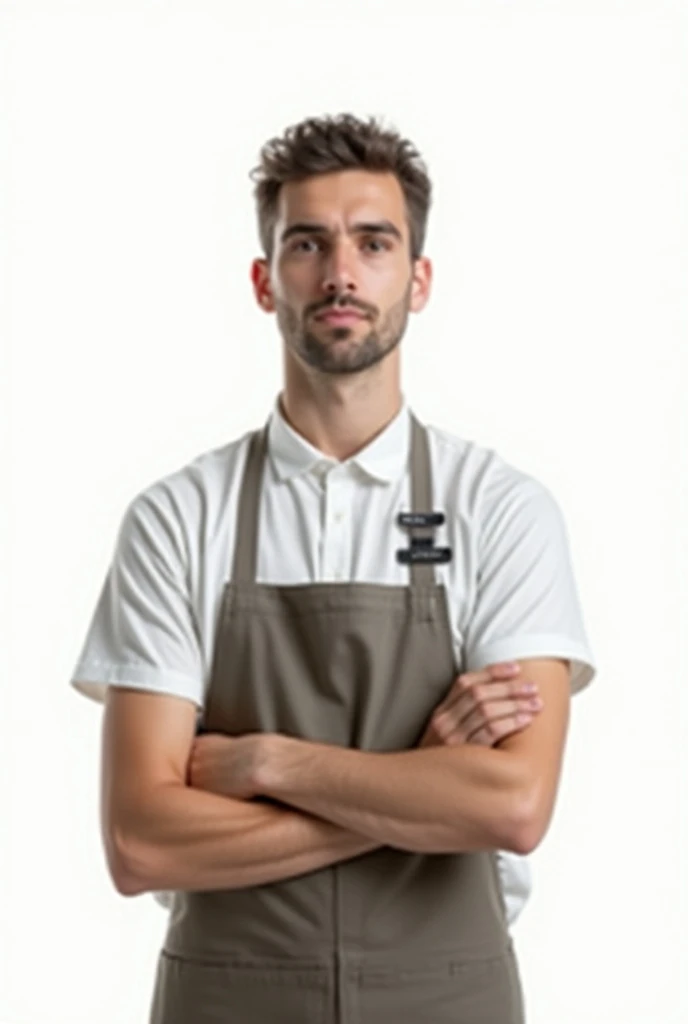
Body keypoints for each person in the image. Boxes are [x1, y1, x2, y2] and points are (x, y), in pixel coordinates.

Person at [70, 112, 596, 1023]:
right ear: (264, 279)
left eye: (374, 242)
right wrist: (420, 787)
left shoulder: (501, 509)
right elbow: (141, 841)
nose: (340, 272)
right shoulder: (176, 518)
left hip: (450, 1000)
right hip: (226, 1003)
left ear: (418, 279)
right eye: (307, 243)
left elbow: (511, 805)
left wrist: (270, 760)